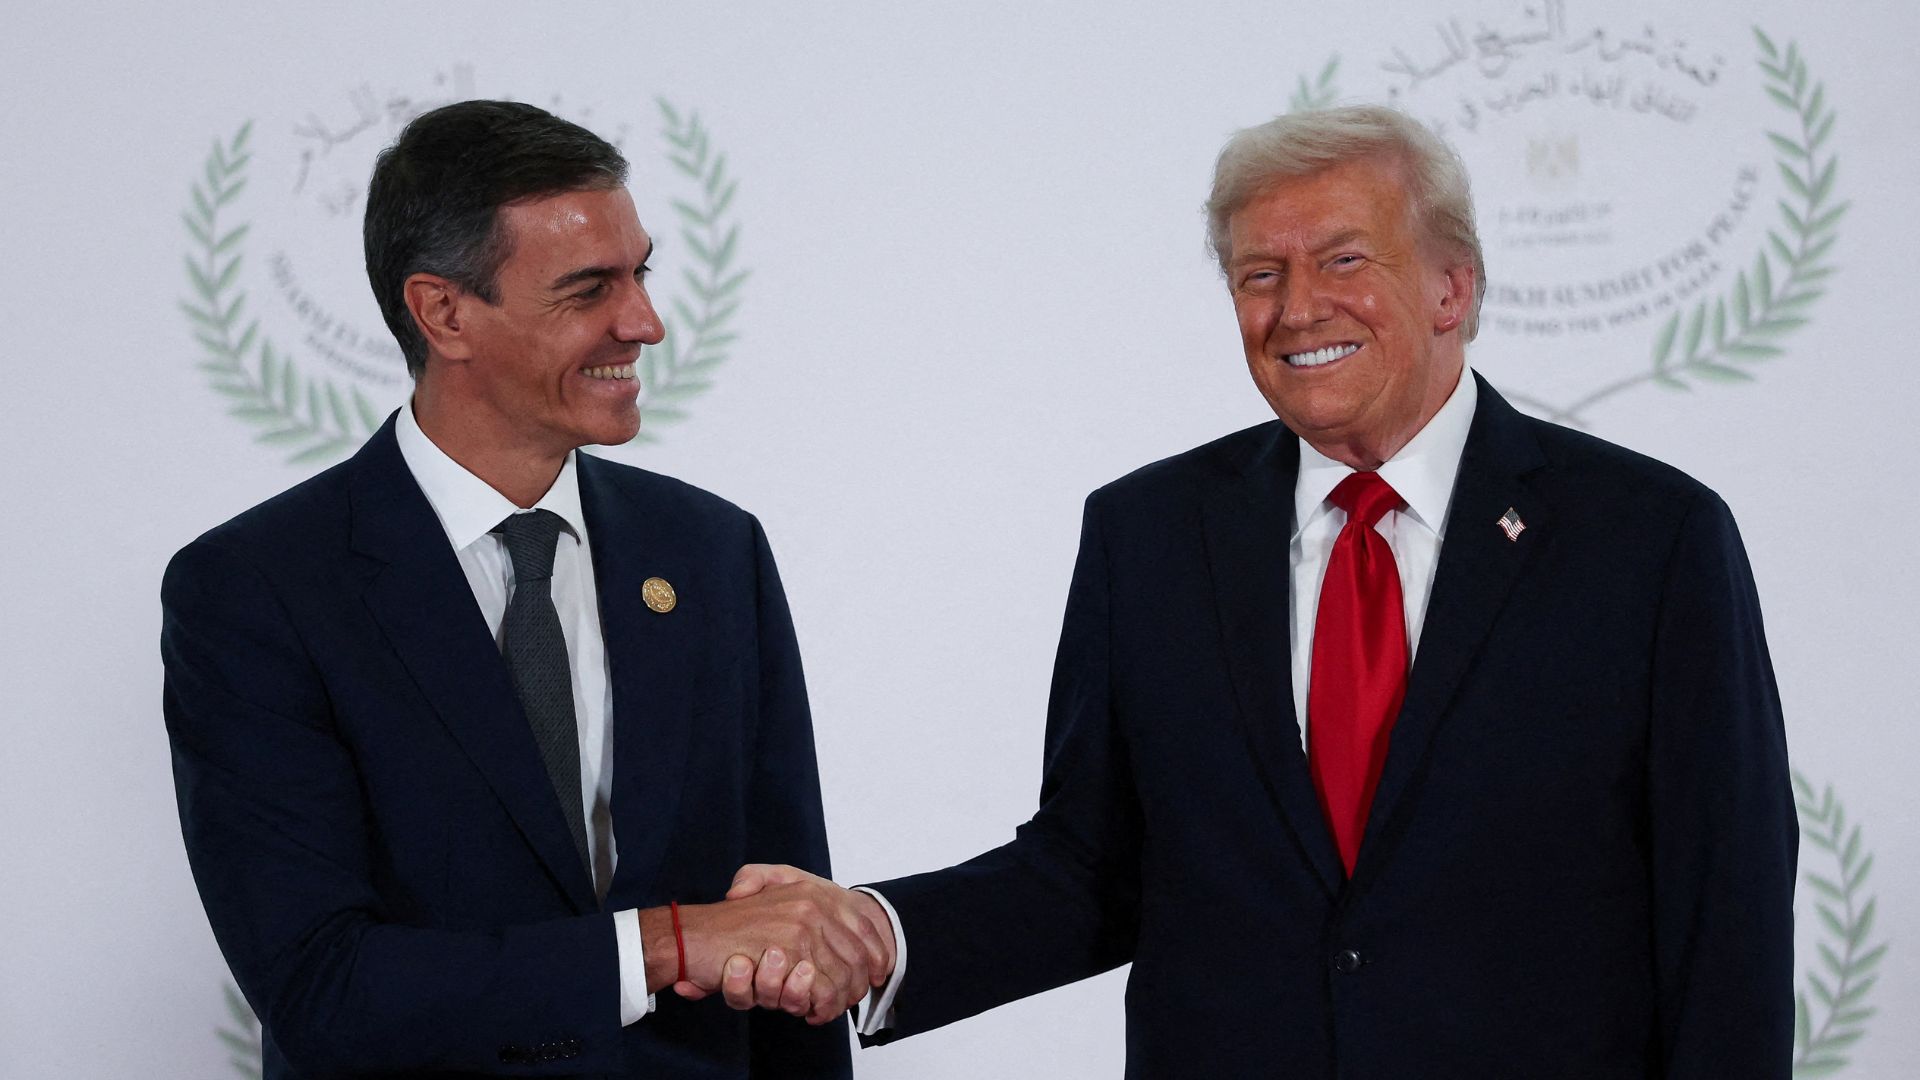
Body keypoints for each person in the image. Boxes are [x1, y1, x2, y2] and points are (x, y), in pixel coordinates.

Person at [722, 105, 1797, 1078]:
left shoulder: (1648, 538)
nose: (1295, 309)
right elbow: (1093, 867)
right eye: (1257, 274)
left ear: (1451, 287)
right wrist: (875, 933)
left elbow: (1726, 914)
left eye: (1342, 259)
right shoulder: (1147, 532)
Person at [161, 100, 891, 1079]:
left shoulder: (715, 552)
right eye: (590, 288)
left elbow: (785, 937)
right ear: (443, 313)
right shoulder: (256, 590)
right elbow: (323, 988)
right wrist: (666, 943)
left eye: (642, 272)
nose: (645, 322)